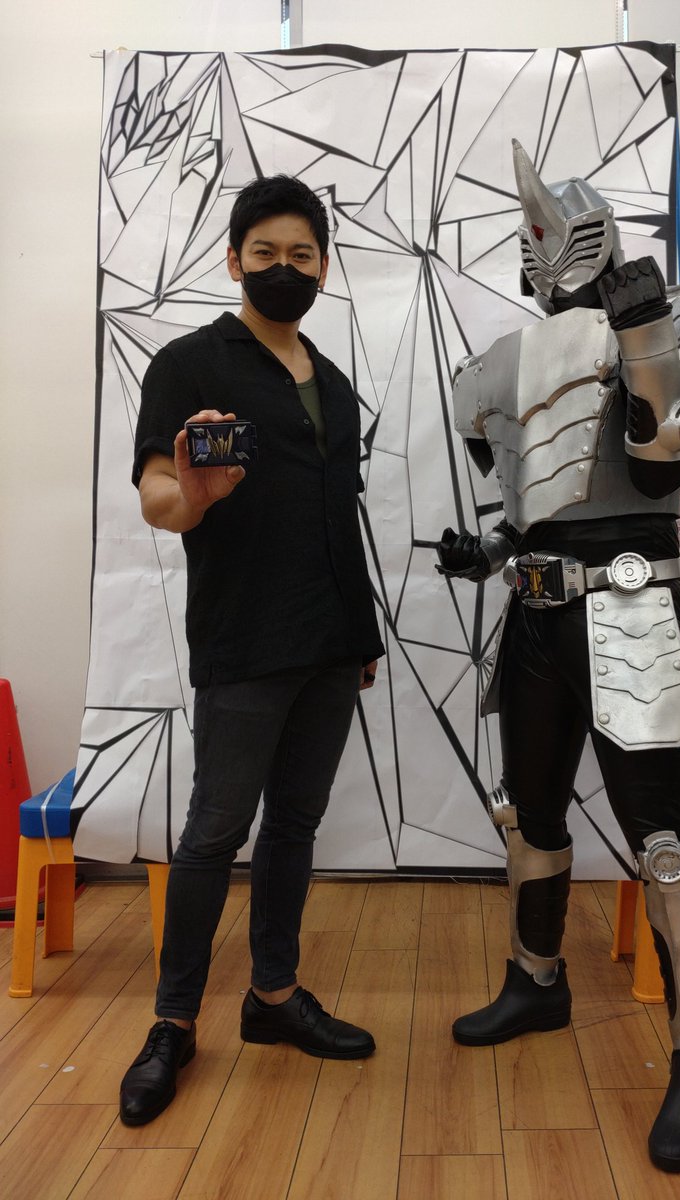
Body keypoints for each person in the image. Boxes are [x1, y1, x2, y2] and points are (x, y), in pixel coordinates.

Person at [437, 21, 680, 1173]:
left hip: (627, 608)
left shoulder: (654, 325)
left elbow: (663, 464)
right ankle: (536, 979)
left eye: (550, 232)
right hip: (535, 611)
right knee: (530, 818)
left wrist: (648, 335)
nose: (542, 246)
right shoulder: (496, 367)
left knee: (664, 844)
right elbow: (532, 497)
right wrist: (487, 550)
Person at [119, 174, 385, 1127]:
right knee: (212, 833)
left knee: (296, 825)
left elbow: (338, 517)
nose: (284, 269)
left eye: (301, 255)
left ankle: (273, 996)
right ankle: (172, 1023)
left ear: (324, 268)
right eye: (265, 253)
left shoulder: (335, 383)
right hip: (244, 638)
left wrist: (362, 634)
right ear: (234, 261)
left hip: (332, 642)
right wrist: (195, 493)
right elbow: (157, 499)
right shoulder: (190, 364)